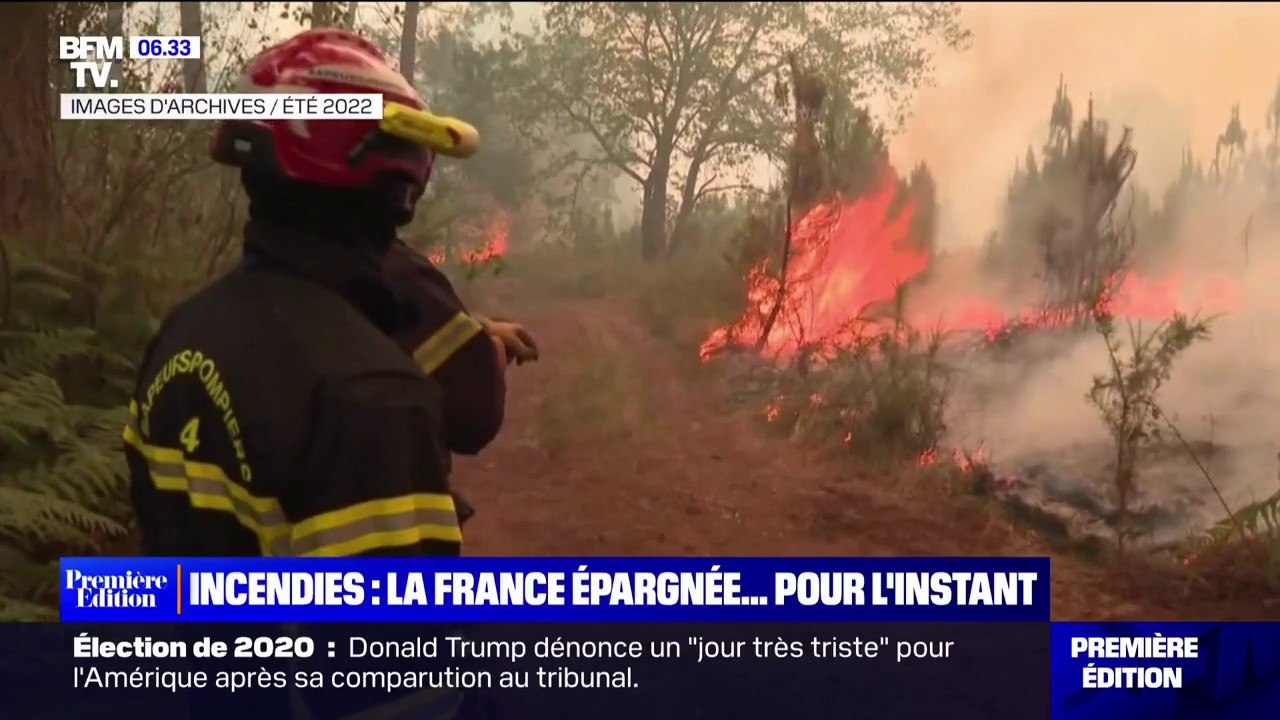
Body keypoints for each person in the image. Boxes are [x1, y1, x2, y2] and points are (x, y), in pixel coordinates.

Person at [382, 239, 539, 524]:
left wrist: (480, 327)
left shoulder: (282, 267)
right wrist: (491, 349)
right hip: (387, 528)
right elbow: (475, 416)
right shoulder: (385, 265)